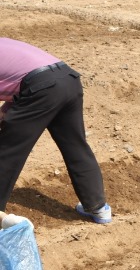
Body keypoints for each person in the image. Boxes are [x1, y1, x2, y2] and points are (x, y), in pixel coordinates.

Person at [0, 38, 111, 223]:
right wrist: (4, 113)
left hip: (41, 87)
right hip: (68, 79)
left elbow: (28, 81)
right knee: (75, 145)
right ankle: (98, 208)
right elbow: (18, 78)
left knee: (7, 149)